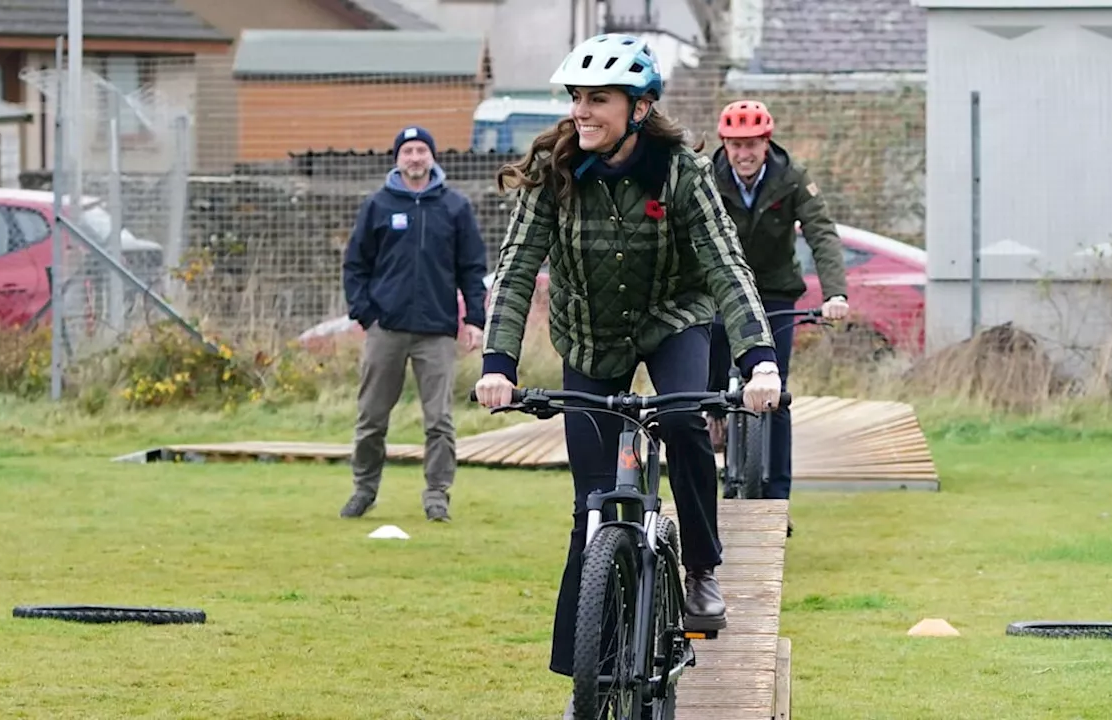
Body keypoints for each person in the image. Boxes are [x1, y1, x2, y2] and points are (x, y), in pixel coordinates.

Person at [471, 34, 782, 716]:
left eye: (599, 100)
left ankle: (700, 565)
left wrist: (757, 358)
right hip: (589, 333)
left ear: (639, 108)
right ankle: (593, 664)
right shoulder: (555, 168)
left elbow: (727, 268)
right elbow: (519, 266)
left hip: (673, 314)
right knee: (591, 501)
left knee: (678, 416)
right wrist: (498, 363)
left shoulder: (681, 172)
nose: (583, 111)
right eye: (577, 98)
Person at [706, 100, 850, 520]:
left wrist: (835, 294)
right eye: (735, 145)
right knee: (710, 351)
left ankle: (777, 499)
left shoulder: (791, 178)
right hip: (719, 287)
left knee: (777, 394)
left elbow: (821, 233)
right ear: (725, 146)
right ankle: (714, 412)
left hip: (774, 292)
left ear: (766, 143)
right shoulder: (707, 179)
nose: (743, 154)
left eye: (751, 144)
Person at [340, 125, 489, 523]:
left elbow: (472, 268)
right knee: (372, 418)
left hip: (436, 331)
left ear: (432, 157)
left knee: (438, 420)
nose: (415, 158)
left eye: (422, 150)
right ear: (397, 159)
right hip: (385, 329)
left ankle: (437, 494)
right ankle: (364, 489)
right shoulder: (378, 205)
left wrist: (474, 318)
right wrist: (366, 314)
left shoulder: (454, 207)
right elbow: (355, 266)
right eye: (408, 151)